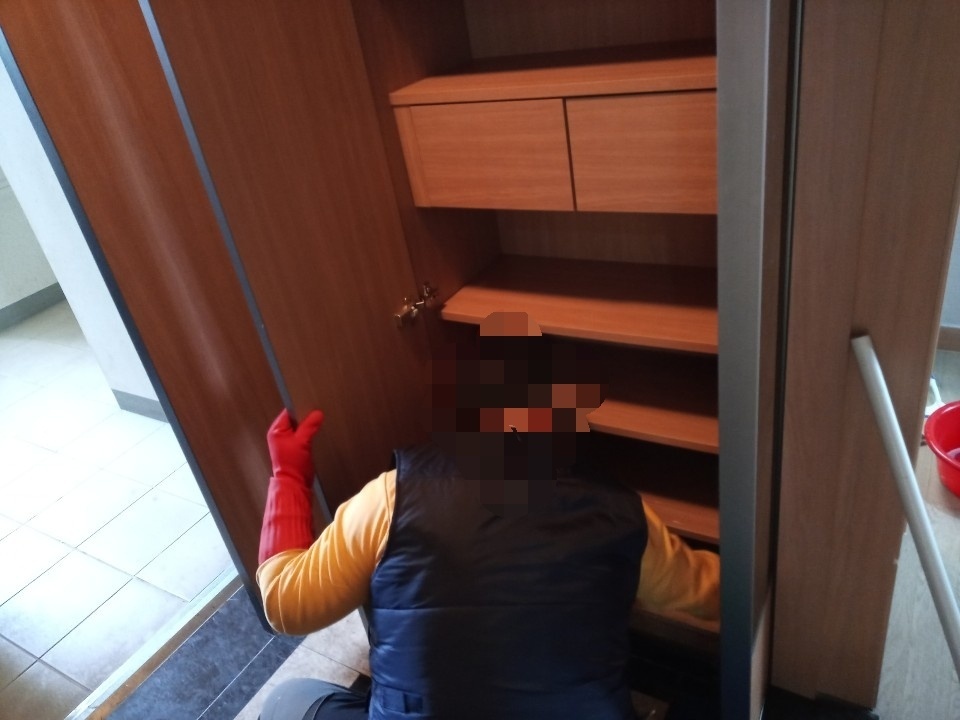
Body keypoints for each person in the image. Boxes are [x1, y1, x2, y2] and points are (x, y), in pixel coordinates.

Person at [256, 313, 719, 720]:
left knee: (289, 698)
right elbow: (711, 595)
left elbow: (284, 603)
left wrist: (289, 477)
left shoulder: (388, 499)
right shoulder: (624, 515)